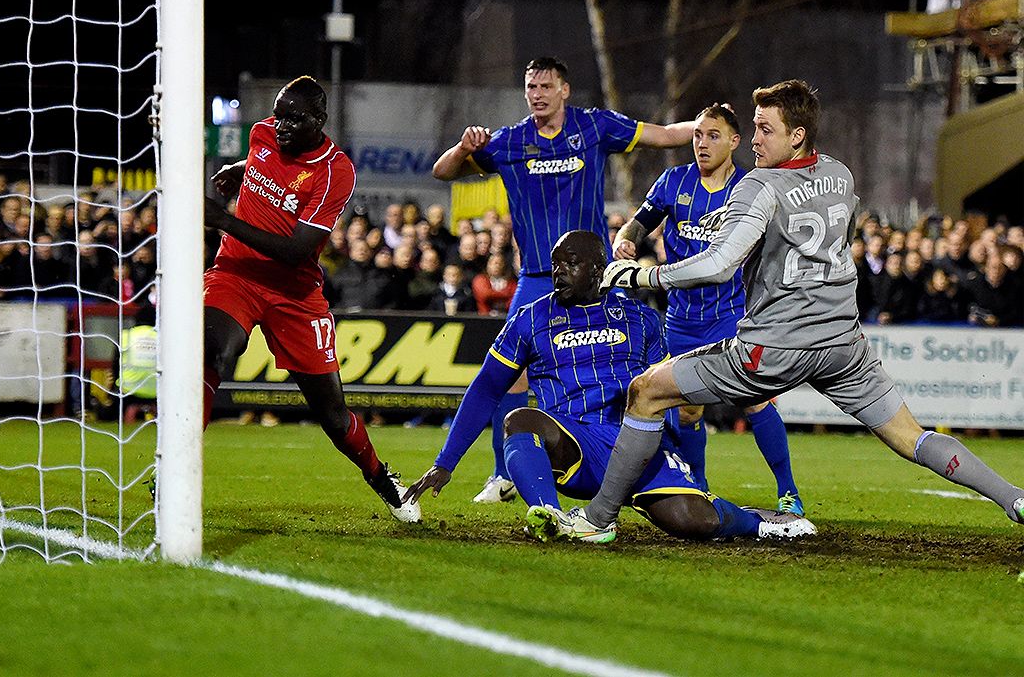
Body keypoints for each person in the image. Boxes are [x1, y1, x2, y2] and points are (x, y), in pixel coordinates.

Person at [590, 80, 1024, 541]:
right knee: (911, 437)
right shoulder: (840, 174)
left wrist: (642, 276)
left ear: (796, 136)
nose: (754, 139)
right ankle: (1015, 498)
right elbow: (833, 235)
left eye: (764, 129)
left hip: (776, 345)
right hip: (842, 345)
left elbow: (719, 265)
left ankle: (597, 520)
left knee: (647, 391)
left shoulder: (759, 184)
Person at [403, 231, 814, 543]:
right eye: (554, 264)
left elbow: (673, 397)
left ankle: (763, 522)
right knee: (520, 419)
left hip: (637, 445)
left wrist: (684, 460)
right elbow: (485, 389)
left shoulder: (641, 319)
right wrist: (446, 461)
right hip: (574, 445)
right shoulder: (530, 318)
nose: (557, 271)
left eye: (569, 264)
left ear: (598, 271)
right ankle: (551, 515)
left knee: (695, 522)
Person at [430, 56, 697, 504]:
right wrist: (463, 148)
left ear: (565, 90)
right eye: (531, 86)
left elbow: (665, 136)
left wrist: (706, 127)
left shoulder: (594, 127)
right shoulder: (510, 141)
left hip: (595, 280)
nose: (537, 93)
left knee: (624, 366)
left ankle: (639, 457)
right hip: (537, 277)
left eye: (545, 86)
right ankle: (504, 473)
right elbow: (442, 171)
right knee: (509, 379)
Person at [202, 75, 420, 523]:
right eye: (278, 116)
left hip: (295, 294)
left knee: (333, 417)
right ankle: (177, 469)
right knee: (211, 350)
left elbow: (295, 251)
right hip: (236, 274)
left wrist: (223, 220)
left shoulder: (335, 171)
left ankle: (382, 478)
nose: (280, 127)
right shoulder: (264, 133)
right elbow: (266, 163)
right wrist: (241, 168)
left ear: (319, 121)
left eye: (293, 120)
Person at [612, 104, 803, 514]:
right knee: (687, 409)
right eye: (697, 134)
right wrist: (626, 240)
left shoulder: (751, 188)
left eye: (713, 135)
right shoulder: (673, 181)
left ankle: (788, 491)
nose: (701, 143)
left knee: (756, 400)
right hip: (681, 320)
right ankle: (698, 487)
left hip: (734, 318)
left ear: (735, 141)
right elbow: (639, 223)